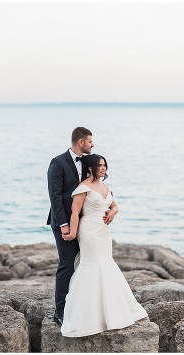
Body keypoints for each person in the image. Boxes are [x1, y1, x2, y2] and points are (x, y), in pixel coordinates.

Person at [60, 154, 148, 337]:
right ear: (91, 167)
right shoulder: (83, 188)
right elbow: (75, 212)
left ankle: (111, 311)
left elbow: (114, 205)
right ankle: (87, 316)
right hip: (89, 231)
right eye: (100, 165)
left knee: (106, 264)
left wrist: (113, 212)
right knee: (91, 265)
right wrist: (73, 232)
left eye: (104, 165)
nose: (103, 168)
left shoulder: (105, 187)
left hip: (103, 232)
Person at [47, 127, 93, 325]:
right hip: (63, 223)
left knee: (84, 263)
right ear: (80, 142)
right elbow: (54, 196)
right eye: (90, 141)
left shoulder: (89, 162)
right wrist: (65, 224)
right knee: (66, 265)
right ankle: (60, 311)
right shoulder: (57, 163)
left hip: (85, 222)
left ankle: (80, 305)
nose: (93, 145)